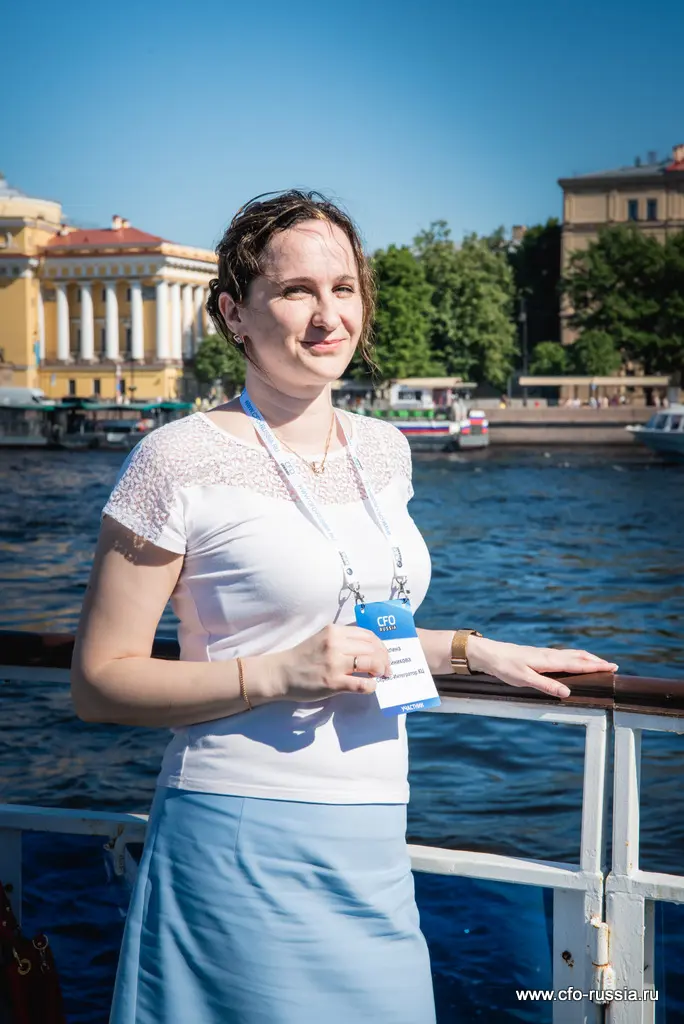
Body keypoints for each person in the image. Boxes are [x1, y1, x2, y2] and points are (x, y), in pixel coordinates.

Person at [70, 191, 619, 1024]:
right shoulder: (173, 460)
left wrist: (472, 650)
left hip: (377, 833)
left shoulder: (384, 451)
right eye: (296, 291)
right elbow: (100, 681)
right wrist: (277, 674)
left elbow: (360, 627)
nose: (329, 316)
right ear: (233, 313)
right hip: (242, 834)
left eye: (344, 288)